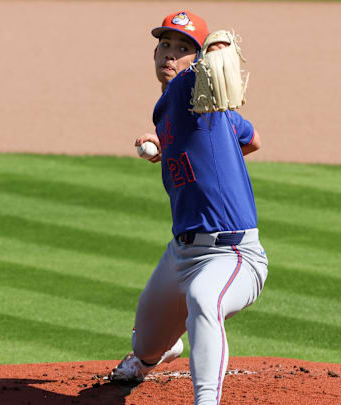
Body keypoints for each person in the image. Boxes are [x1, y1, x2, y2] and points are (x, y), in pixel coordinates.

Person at [109, 10, 269, 405]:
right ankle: (157, 355)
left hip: (232, 254)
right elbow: (252, 140)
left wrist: (216, 46)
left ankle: (206, 399)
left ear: (197, 61)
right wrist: (171, 149)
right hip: (181, 253)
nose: (170, 54)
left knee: (203, 298)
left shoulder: (192, 87)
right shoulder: (168, 109)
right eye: (165, 45)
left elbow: (215, 58)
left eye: (183, 49)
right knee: (146, 344)